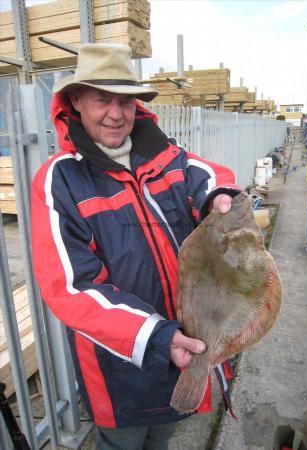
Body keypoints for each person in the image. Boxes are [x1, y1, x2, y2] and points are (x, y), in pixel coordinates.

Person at [31, 43, 240, 449]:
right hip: (119, 367)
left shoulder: (168, 156)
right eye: (101, 99)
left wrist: (218, 197)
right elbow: (71, 288)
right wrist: (158, 336)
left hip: (187, 347)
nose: (115, 113)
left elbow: (207, 177)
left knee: (164, 434)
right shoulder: (60, 180)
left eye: (125, 101)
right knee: (123, 442)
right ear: (76, 101)